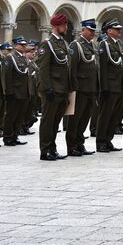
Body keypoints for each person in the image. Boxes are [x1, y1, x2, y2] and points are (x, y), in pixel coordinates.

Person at [37, 13, 73, 161]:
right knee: (47, 121)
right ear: (57, 26)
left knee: (55, 122)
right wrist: (47, 88)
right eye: (64, 24)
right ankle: (45, 150)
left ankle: (52, 148)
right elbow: (43, 69)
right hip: (52, 89)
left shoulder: (63, 43)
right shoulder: (48, 44)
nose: (66, 27)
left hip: (62, 89)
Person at [66, 20, 99, 157]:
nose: (92, 33)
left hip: (91, 89)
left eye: (93, 31)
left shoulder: (92, 46)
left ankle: (80, 143)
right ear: (83, 30)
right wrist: (73, 88)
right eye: (90, 30)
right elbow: (72, 68)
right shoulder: (76, 45)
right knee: (75, 119)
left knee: (85, 118)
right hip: (80, 88)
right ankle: (72, 146)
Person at [96, 20, 123, 153]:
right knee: (105, 115)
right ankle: (101, 141)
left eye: (119, 29)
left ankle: (108, 140)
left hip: (118, 85)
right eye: (116, 29)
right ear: (109, 31)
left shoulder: (118, 44)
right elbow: (103, 67)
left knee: (114, 116)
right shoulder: (104, 44)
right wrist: (104, 87)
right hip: (109, 86)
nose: (119, 31)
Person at [1, 39, 31, 147]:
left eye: (24, 45)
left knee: (19, 116)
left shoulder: (24, 57)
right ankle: (8, 137)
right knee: (10, 115)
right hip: (14, 91)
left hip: (23, 91)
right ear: (15, 46)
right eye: (21, 45)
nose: (24, 47)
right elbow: (7, 75)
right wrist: (8, 91)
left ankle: (15, 135)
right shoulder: (10, 57)